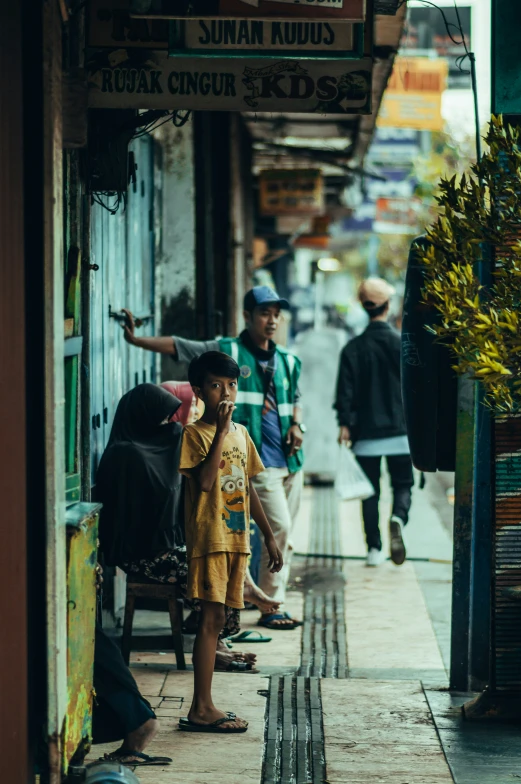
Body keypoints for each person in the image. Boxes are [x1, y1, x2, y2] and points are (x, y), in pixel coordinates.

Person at [122, 285, 305, 631]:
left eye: (276, 314)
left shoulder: (288, 361)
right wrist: (137, 341)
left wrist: (298, 425)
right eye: (265, 313)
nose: (272, 320)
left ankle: (257, 599)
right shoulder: (225, 352)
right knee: (278, 527)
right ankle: (269, 604)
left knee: (281, 533)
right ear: (248, 316)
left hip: (286, 460)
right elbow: (179, 346)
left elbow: (296, 398)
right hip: (238, 458)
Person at [96, 383, 257, 672]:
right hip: (142, 554)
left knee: (222, 563)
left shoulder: (166, 446)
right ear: (142, 418)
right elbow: (130, 522)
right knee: (207, 574)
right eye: (160, 420)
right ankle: (211, 646)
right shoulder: (126, 455)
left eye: (169, 419)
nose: (168, 426)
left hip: (170, 546)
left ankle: (210, 640)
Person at [178, 351, 283, 733]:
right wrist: (220, 432)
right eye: (216, 385)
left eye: (232, 385)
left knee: (220, 620)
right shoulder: (195, 434)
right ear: (199, 391)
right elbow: (205, 483)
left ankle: (205, 704)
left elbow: (248, 485)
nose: (226, 393)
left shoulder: (242, 433)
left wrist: (269, 536)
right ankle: (200, 708)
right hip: (209, 539)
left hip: (237, 537)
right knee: (210, 620)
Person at [334, 278, 414, 567]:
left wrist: (345, 423)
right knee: (403, 485)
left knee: (369, 492)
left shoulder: (353, 348)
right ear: (388, 306)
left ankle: (374, 549)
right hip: (401, 433)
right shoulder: (402, 345)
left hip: (365, 434)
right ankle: (398, 518)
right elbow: (415, 389)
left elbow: (344, 392)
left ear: (364, 307)